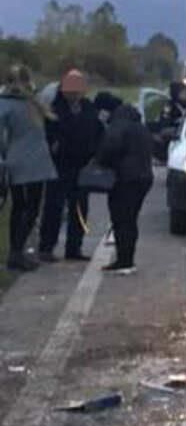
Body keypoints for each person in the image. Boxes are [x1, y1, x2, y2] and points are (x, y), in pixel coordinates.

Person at [38, 69, 102, 262]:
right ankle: (46, 247)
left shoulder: (89, 108)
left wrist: (95, 153)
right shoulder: (54, 109)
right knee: (54, 207)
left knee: (80, 209)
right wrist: (54, 145)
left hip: (82, 165)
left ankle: (74, 247)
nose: (74, 95)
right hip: (59, 165)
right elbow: (47, 132)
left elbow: (97, 131)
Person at [0, 65, 58, 272]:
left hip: (17, 159)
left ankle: (16, 252)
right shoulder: (34, 102)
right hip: (34, 161)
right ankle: (16, 251)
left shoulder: (7, 103)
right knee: (31, 207)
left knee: (19, 207)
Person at [94, 98, 154, 273]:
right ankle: (127, 258)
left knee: (121, 220)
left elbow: (108, 150)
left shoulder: (118, 127)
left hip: (125, 179)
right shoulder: (142, 128)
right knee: (131, 219)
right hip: (144, 178)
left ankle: (124, 261)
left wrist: (99, 161)